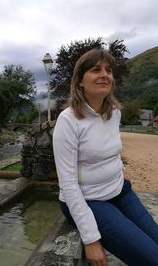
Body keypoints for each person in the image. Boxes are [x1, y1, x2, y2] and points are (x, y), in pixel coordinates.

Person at [53, 49, 158, 266]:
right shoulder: (68, 120)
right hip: (90, 201)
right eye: (95, 70)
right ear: (80, 81)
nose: (105, 74)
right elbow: (68, 184)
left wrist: (118, 170)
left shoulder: (114, 113)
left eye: (108, 70)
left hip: (120, 191)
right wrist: (91, 238)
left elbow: (111, 150)